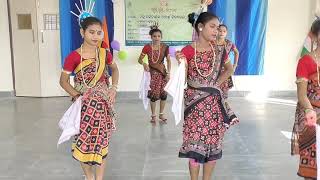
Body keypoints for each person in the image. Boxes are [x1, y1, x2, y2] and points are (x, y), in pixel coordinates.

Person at [175, 12, 238, 180]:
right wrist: (180, 62)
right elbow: (183, 78)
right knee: (194, 145)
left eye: (218, 27)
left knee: (213, 145)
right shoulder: (188, 51)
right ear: (200, 27)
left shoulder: (219, 50)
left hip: (214, 107)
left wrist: (214, 86)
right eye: (212, 26)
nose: (216, 31)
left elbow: (229, 70)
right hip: (195, 107)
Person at [59, 17, 119, 180]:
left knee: (102, 142)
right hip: (84, 108)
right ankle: (89, 176)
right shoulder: (73, 57)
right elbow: (63, 81)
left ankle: (99, 178)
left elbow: (115, 70)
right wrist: (78, 96)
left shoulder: (104, 53)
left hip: (103, 106)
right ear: (82, 32)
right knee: (83, 141)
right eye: (91, 32)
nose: (96, 36)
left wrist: (113, 88)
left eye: (99, 33)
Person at [292, 18, 320, 180]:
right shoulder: (306, 61)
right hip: (312, 118)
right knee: (312, 169)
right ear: (315, 37)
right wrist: (310, 111)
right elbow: (302, 95)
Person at [138, 23, 171, 123]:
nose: (157, 38)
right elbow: (139, 60)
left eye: (159, 36)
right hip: (152, 74)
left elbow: (169, 61)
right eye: (154, 36)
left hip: (163, 73)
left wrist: (169, 73)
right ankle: (153, 115)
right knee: (153, 95)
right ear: (151, 37)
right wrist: (144, 64)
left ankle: (161, 114)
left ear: (161, 37)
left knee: (164, 94)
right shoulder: (147, 47)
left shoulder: (165, 47)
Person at [217, 24, 239, 98]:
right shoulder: (212, 43)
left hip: (225, 71)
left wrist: (235, 65)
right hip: (214, 71)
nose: (222, 33)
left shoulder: (229, 44)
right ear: (216, 31)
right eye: (220, 31)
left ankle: (223, 106)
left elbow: (237, 52)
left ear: (226, 33)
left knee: (223, 92)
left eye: (224, 31)